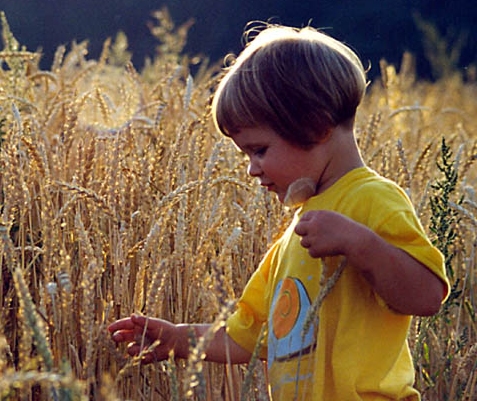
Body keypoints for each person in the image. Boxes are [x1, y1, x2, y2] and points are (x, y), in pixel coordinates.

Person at [108, 24, 450, 400]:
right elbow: (248, 337)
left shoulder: (373, 199)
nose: (252, 169)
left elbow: (427, 296)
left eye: (259, 150)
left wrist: (360, 244)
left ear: (315, 126)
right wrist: (178, 337)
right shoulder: (295, 235)